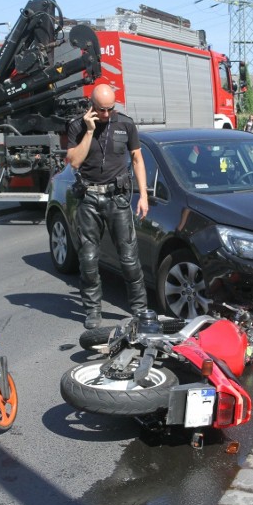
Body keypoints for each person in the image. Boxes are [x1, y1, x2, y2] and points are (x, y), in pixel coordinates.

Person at [66, 83, 148, 329]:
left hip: (117, 198)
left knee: (129, 258)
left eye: (109, 109)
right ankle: (92, 310)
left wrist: (143, 195)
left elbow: (137, 158)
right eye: (101, 110)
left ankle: (140, 310)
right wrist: (89, 132)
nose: (105, 115)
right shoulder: (77, 126)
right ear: (92, 105)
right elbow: (74, 162)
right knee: (88, 259)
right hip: (88, 198)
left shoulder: (125, 124)